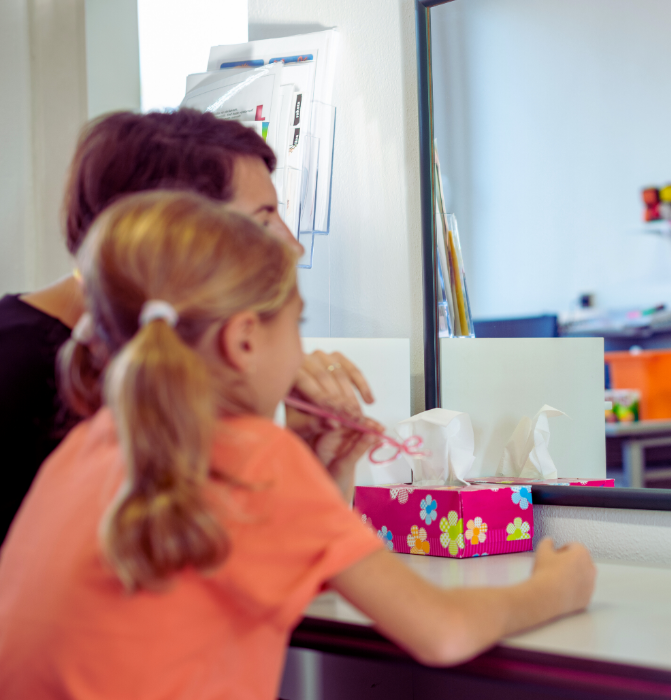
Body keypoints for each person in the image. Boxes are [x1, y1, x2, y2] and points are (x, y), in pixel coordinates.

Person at [0, 192, 596, 698]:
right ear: (243, 342)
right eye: (298, 321)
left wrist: (325, 475)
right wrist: (554, 590)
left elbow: (273, 567)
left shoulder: (93, 444)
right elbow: (441, 631)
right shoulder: (252, 452)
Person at [0, 110, 371, 541]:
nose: (292, 245)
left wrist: (314, 470)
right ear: (170, 230)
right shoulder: (17, 370)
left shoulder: (172, 358)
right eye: (263, 219)